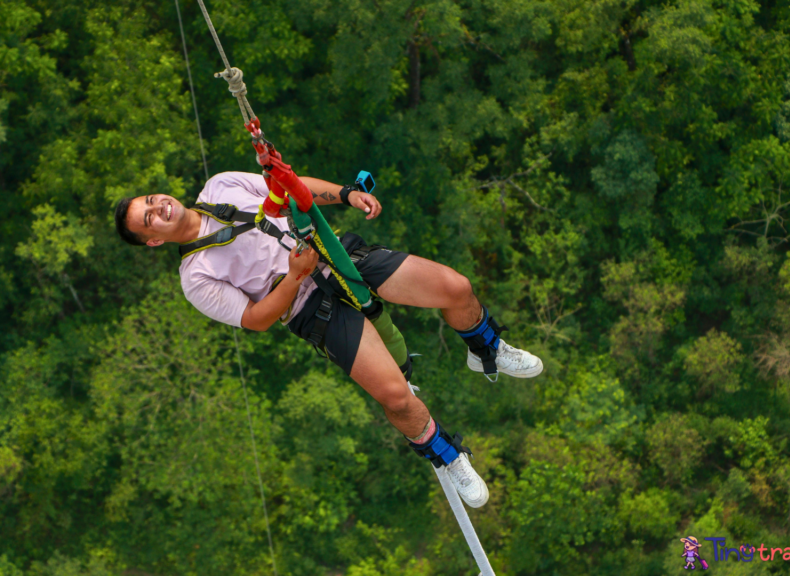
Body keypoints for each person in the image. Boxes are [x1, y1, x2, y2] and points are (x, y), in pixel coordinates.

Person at [113, 171, 543, 507]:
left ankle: (486, 349)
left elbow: (286, 185)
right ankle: (448, 457)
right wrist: (295, 276)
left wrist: (345, 193)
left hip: (335, 254)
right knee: (395, 397)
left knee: (456, 287)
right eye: (149, 218)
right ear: (153, 240)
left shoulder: (220, 186)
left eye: (152, 201)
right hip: (309, 307)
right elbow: (255, 318)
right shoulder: (196, 277)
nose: (159, 208)